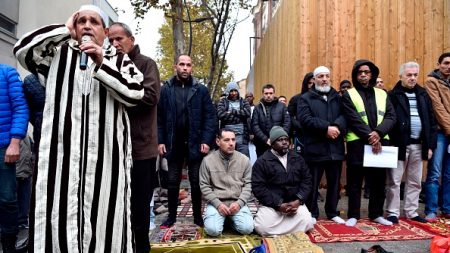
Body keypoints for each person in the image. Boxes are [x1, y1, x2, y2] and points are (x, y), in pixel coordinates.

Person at [14, 5, 145, 252]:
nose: (86, 26)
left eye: (93, 22)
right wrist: (64, 30)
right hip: (63, 161)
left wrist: (101, 63)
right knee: (59, 221)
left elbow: (136, 93)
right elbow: (23, 50)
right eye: (81, 20)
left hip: (107, 162)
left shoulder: (118, 59)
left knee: (106, 224)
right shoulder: (56, 55)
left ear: (105, 31)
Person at [108, 22, 161, 252]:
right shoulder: (106, 64)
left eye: (119, 39)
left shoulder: (146, 64)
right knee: (116, 209)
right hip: (113, 148)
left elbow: (149, 97)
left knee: (139, 211)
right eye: (110, 40)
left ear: (131, 39)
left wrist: (120, 92)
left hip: (141, 150)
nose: (115, 44)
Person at [158, 54, 217, 228]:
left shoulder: (201, 90)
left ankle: (198, 217)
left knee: (196, 181)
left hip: (195, 142)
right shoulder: (166, 89)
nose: (185, 68)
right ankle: (171, 217)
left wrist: (207, 140)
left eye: (188, 65)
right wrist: (160, 141)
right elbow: (159, 117)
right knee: (172, 181)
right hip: (173, 142)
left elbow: (210, 117)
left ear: (192, 68)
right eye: (182, 64)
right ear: (175, 66)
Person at [341, 59, 396, 227]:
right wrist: (370, 137)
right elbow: (353, 118)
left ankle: (376, 214)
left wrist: (378, 133)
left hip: (380, 144)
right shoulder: (348, 94)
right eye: (360, 72)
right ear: (355, 75)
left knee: (379, 181)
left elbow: (391, 116)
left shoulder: (382, 93)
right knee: (355, 181)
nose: (363, 75)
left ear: (372, 74)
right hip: (358, 144)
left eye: (367, 72)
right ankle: (353, 215)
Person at [385, 62, 436, 224]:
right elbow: (389, 119)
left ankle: (411, 211)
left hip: (419, 144)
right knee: (394, 180)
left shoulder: (423, 94)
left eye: (415, 75)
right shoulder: (393, 95)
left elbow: (431, 121)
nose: (413, 78)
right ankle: (392, 212)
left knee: (415, 181)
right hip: (399, 144)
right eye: (409, 75)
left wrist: (429, 146)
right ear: (401, 76)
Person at [298, 66, 346, 224]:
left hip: (335, 148)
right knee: (313, 184)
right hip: (315, 148)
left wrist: (337, 127)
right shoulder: (305, 98)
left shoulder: (338, 97)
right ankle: (312, 213)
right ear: (314, 79)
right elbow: (305, 119)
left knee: (334, 183)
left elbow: (345, 116)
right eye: (320, 76)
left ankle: (332, 212)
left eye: (327, 76)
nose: (324, 79)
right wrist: (326, 128)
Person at [252, 126, 314, 236]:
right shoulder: (262, 161)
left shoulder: (297, 158)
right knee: (261, 227)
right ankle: (293, 230)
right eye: (280, 140)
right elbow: (258, 187)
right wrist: (278, 204)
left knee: (308, 222)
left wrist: (298, 200)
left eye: (286, 139)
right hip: (272, 206)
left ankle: (280, 231)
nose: (285, 142)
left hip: (294, 204)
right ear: (272, 143)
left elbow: (307, 180)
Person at [199, 129, 254, 236]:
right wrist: (218, 204)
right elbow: (204, 186)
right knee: (213, 230)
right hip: (217, 203)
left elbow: (249, 185)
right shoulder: (208, 160)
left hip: (237, 202)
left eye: (233, 140)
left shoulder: (244, 160)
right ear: (218, 142)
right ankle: (225, 219)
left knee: (247, 229)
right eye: (227, 140)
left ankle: (229, 221)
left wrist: (239, 203)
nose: (231, 143)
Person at [0, 64, 29, 252]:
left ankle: (9, 246)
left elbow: (20, 107)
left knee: (6, 199)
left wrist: (15, 142)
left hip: (3, 147)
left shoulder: (7, 72)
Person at [423, 52, 450, 222]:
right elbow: (438, 109)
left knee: (449, 174)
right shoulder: (431, 82)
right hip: (440, 133)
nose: (449, 66)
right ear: (439, 64)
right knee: (434, 172)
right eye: (446, 63)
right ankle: (431, 209)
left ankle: (447, 208)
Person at [251, 84, 290, 157]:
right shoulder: (257, 108)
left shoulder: (282, 106)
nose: (268, 95)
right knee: (262, 166)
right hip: (262, 145)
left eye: (271, 93)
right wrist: (265, 139)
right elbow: (254, 125)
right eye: (266, 93)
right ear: (263, 94)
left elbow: (287, 123)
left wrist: (280, 138)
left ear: (274, 94)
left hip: (279, 144)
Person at [217, 82, 251, 157]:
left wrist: (232, 112)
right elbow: (220, 115)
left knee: (244, 159)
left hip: (242, 137)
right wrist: (239, 116)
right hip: (226, 138)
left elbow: (247, 113)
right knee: (227, 158)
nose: (234, 93)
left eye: (235, 91)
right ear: (228, 92)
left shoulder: (244, 101)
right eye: (231, 91)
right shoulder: (223, 102)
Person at [288, 72, 314, 153]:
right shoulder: (296, 99)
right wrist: (298, 125)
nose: (311, 85)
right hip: (300, 136)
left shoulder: (321, 99)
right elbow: (289, 116)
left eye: (314, 83)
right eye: (309, 83)